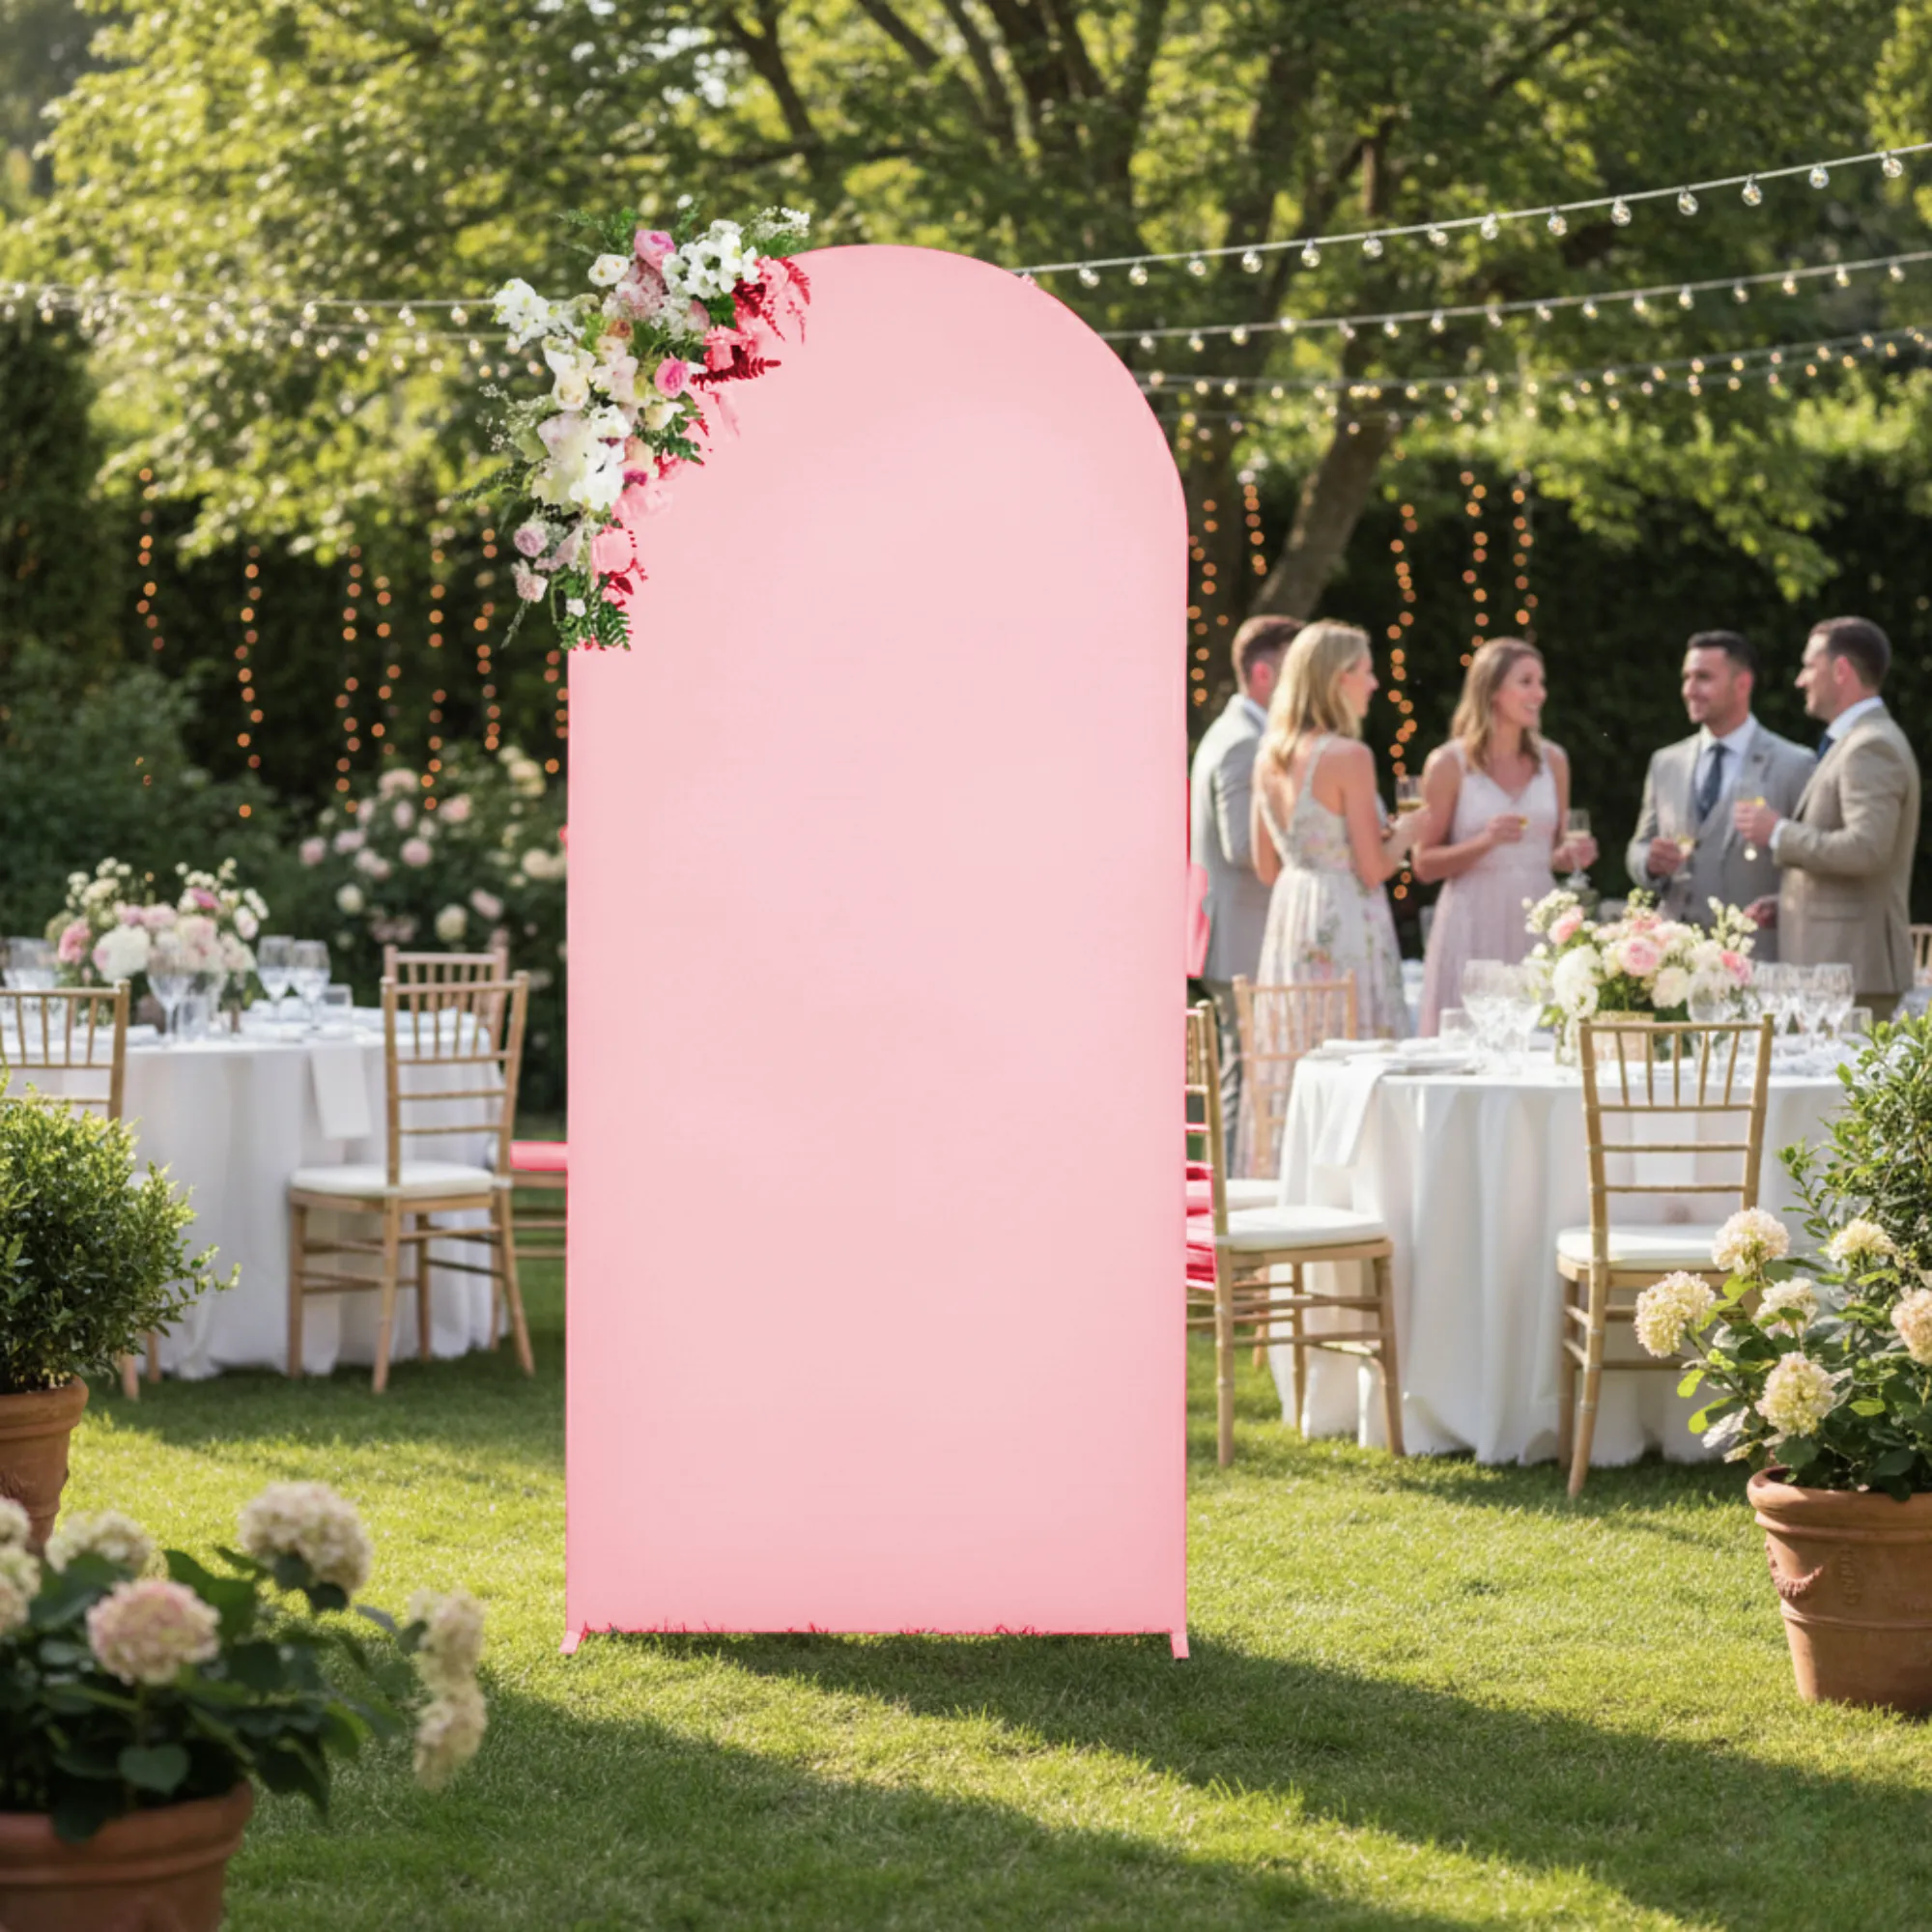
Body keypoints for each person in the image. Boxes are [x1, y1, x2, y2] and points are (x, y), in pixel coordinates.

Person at [1734, 616, 1921, 1017]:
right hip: (1841, 970)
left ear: (1841, 670)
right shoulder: (1856, 741)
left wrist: (1778, 832)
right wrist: (1791, 901)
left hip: (1856, 972)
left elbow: (1866, 849)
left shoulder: (1871, 746)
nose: (1800, 680)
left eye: (1808, 666)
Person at [1412, 638, 1598, 1035]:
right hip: (1472, 919)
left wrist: (1572, 854)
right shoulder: (1449, 763)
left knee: (1543, 1034)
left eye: (1541, 682)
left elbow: (1555, 851)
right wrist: (1485, 841)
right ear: (1492, 690)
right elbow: (1423, 863)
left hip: (1538, 920)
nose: (1539, 694)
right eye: (1526, 682)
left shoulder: (1554, 760)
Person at [1250, 620, 1421, 1048]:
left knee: (1303, 1047)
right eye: (1366, 671)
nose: (1374, 683)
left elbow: (1266, 869)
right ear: (1338, 679)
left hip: (1292, 921)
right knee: (1355, 1050)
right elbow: (1372, 869)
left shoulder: (1268, 757)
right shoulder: (1349, 756)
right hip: (1346, 919)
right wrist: (1407, 833)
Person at [1623, 631, 1811, 955]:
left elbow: (1811, 862)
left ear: (1742, 684)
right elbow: (1638, 846)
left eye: (1703, 678)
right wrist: (1649, 863)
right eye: (1686, 678)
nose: (1689, 690)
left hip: (1756, 957)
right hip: (1674, 961)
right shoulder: (1665, 763)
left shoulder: (1794, 764)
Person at [1189, 614, 1302, 1140]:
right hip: (1243, 935)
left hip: (1235, 931)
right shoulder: (1243, 743)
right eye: (1293, 668)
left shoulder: (1237, 733)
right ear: (1263, 674)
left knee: (1246, 1068)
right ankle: (1234, 1182)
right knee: (1247, 1072)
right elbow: (1241, 847)